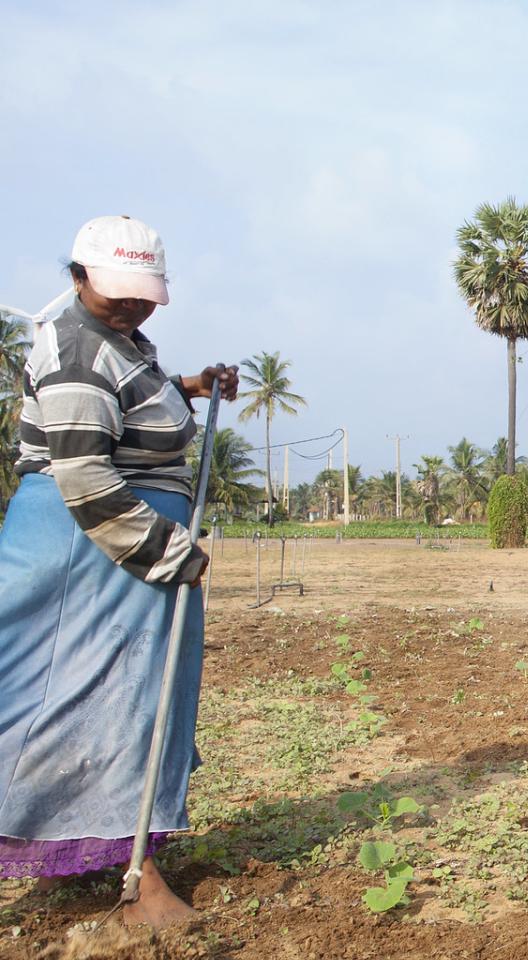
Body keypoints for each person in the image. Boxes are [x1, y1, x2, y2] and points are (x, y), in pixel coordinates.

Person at [0, 216, 237, 927]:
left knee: (120, 700)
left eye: (143, 294)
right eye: (117, 294)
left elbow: (129, 412)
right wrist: (171, 553)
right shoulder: (75, 348)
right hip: (92, 552)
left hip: (119, 554)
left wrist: (188, 386)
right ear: (78, 279)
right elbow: (87, 481)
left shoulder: (118, 340)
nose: (132, 305)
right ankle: (140, 882)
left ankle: (118, 852)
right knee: (98, 701)